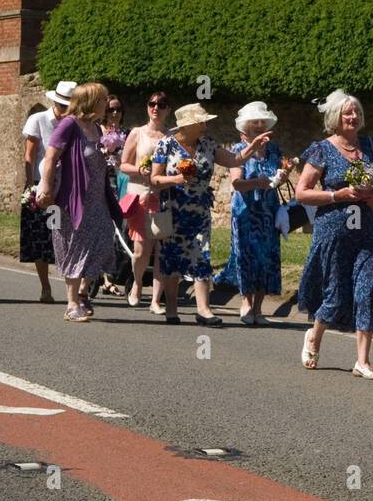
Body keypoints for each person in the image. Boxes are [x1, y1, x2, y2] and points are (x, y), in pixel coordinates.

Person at [149, 103, 270, 326]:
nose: (205, 125)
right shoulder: (165, 145)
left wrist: (252, 147)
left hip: (199, 211)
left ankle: (204, 310)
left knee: (201, 255)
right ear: (188, 125)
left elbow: (234, 159)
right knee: (172, 259)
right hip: (173, 209)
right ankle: (171, 310)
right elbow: (154, 179)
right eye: (201, 122)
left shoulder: (208, 144)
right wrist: (175, 179)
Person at [296, 90, 373, 376]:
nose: (353, 117)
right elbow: (302, 192)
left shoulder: (370, 146)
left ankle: (363, 361)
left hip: (365, 231)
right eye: (347, 113)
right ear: (334, 118)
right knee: (335, 293)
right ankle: (314, 336)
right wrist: (338, 195)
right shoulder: (321, 149)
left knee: (368, 287)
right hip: (332, 231)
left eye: (356, 112)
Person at [35, 83, 120, 322]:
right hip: (73, 199)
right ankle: (71, 304)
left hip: (97, 198)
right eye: (103, 100)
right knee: (75, 248)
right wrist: (45, 185)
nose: (108, 105)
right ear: (91, 102)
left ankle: (83, 292)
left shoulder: (96, 128)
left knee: (102, 243)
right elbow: (50, 157)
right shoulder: (68, 124)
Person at [215, 102, 288, 326]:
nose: (258, 125)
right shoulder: (238, 150)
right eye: (254, 122)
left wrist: (282, 177)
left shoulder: (274, 150)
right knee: (246, 257)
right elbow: (236, 183)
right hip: (246, 212)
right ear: (245, 128)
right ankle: (246, 304)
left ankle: (258, 308)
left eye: (262, 122)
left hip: (268, 211)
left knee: (267, 258)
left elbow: (277, 175)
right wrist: (259, 182)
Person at [20, 80, 74, 303]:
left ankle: (73, 286)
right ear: (53, 102)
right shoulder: (38, 120)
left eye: (68, 108)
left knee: (64, 234)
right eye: (61, 107)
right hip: (41, 186)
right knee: (42, 238)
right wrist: (30, 184)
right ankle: (45, 287)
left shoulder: (74, 124)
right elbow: (30, 155)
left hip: (66, 188)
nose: (64, 112)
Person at [119, 92, 171, 311]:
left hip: (163, 196)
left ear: (168, 110)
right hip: (139, 195)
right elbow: (123, 165)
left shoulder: (172, 137)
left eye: (161, 105)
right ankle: (137, 284)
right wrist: (140, 169)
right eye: (152, 104)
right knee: (141, 250)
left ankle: (155, 300)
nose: (155, 108)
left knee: (162, 250)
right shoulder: (137, 133)